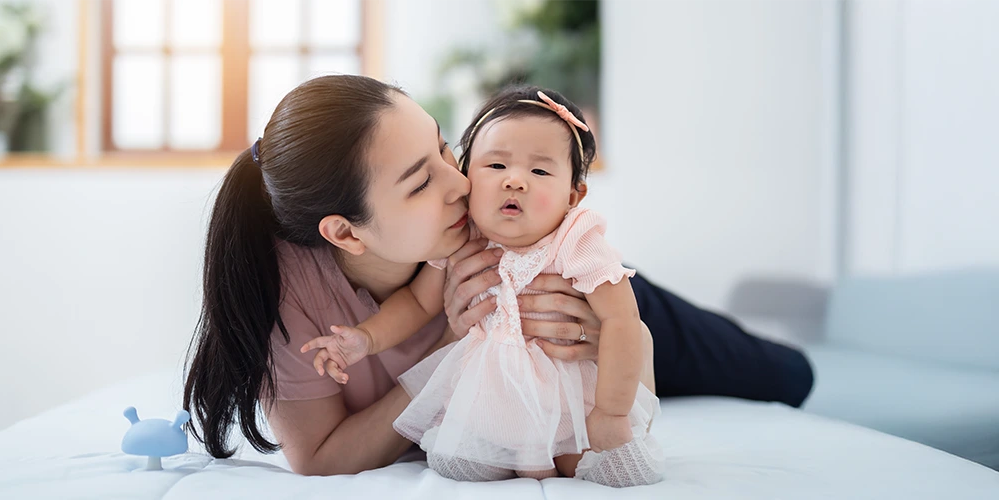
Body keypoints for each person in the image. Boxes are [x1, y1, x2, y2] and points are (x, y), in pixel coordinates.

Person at [183, 74, 813, 477]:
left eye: (443, 148)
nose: (464, 183)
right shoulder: (285, 294)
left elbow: (618, 326)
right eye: (422, 181)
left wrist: (614, 348)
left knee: (784, 375)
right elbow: (320, 457)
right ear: (346, 233)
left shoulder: (479, 213)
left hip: (588, 311)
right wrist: (454, 346)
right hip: (506, 371)